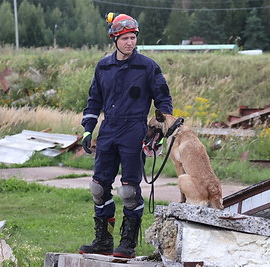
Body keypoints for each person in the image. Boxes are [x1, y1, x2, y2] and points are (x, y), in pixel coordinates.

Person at [78, 12, 173, 258]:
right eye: (125, 38)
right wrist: (88, 128)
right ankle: (103, 240)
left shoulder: (147, 66)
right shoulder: (104, 66)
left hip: (134, 130)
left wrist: (161, 132)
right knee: (99, 188)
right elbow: (94, 100)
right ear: (114, 39)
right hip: (108, 129)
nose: (130, 42)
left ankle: (128, 244)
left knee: (129, 191)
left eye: (133, 37)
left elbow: (163, 101)